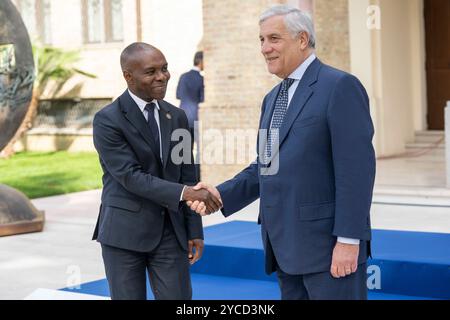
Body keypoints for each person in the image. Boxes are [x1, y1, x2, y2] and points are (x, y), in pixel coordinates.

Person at [189, 5, 376, 300]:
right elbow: (265, 165)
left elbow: (357, 172)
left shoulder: (340, 86)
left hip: (328, 252)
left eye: (273, 38)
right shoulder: (272, 98)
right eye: (261, 40)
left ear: (302, 40)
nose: (265, 48)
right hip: (284, 250)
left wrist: (349, 240)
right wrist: (220, 194)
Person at [92, 42, 221, 300]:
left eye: (164, 69)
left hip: (170, 233)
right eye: (151, 72)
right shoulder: (108, 120)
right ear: (128, 76)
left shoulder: (178, 117)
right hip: (124, 235)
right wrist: (186, 193)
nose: (162, 76)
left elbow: (188, 174)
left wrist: (194, 230)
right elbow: (131, 176)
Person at [176, 51, 204, 179]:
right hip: (196, 117)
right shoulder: (201, 79)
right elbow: (202, 98)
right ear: (201, 61)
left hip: (182, 117)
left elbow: (178, 95)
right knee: (198, 150)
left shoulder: (183, 77)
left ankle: (183, 179)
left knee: (184, 151)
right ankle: (196, 179)